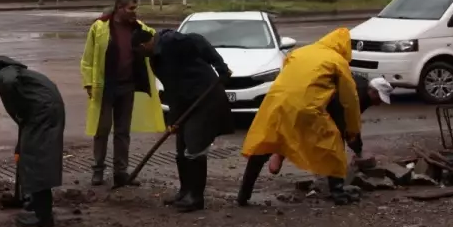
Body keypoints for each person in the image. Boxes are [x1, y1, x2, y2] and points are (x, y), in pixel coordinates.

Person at [236, 28, 362, 207]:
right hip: (306, 107)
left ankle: (243, 195)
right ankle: (338, 192)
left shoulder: (300, 52)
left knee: (262, 146)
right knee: (332, 145)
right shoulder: (337, 61)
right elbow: (350, 100)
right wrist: (353, 129)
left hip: (274, 104)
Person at [135, 27, 234, 212]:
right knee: (181, 148)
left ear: (143, 45)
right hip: (187, 103)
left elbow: (199, 40)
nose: (139, 55)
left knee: (194, 147)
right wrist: (173, 120)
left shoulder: (171, 41)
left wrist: (220, 67)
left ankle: (196, 198)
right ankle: (184, 192)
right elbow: (172, 89)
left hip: (205, 98)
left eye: (138, 51)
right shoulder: (155, 57)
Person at [81, 0, 166, 188]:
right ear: (119, 8)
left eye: (135, 8)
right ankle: (98, 170)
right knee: (101, 130)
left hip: (127, 86)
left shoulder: (139, 28)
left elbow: (157, 40)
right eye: (131, 8)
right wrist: (88, 83)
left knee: (122, 131)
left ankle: (121, 172)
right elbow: (87, 59)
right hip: (105, 87)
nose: (134, 12)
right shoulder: (100, 28)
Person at [0, 56, 65, 227]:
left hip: (43, 113)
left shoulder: (4, 73)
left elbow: (7, 82)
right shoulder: (23, 74)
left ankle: (42, 217)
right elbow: (24, 114)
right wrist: (19, 146)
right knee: (35, 156)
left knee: (36, 160)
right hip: (47, 109)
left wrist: (15, 106)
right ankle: (36, 204)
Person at [265, 74, 393, 176]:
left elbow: (352, 122)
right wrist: (357, 148)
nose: (379, 103)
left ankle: (328, 171)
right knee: (314, 135)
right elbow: (349, 124)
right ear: (373, 91)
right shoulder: (359, 96)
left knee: (321, 137)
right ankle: (280, 154)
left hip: (321, 102)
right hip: (316, 104)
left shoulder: (363, 88)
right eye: (379, 99)